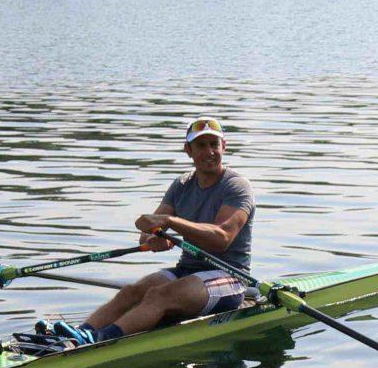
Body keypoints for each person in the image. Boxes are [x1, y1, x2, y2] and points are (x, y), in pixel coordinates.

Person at [23, 117, 256, 347]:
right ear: (188, 150)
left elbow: (221, 238)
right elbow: (150, 228)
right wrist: (153, 238)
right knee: (131, 292)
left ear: (224, 146)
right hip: (188, 270)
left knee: (158, 296)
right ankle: (77, 335)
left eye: (214, 144)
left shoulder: (236, 186)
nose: (209, 152)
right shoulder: (182, 185)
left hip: (229, 276)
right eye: (201, 145)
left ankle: (98, 342)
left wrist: (171, 222)